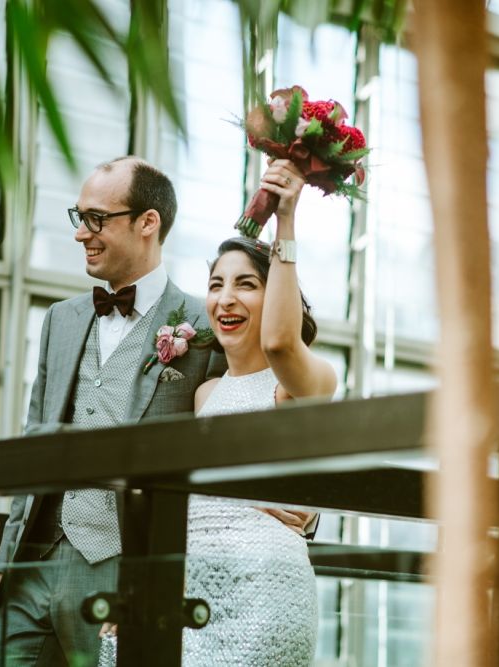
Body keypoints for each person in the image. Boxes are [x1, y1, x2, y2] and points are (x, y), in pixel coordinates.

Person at [0, 156, 224, 667]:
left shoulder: (206, 327)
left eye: (96, 219)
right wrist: (6, 564)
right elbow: (35, 443)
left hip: (122, 569)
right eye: (80, 217)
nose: (81, 234)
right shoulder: (62, 319)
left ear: (147, 223)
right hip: (33, 564)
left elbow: (233, 441)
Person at [97, 159, 336, 667]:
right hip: (186, 593)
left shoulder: (303, 382)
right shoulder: (204, 394)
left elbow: (279, 343)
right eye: (216, 284)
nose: (226, 298)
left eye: (247, 284)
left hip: (263, 589)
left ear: (278, 297)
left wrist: (286, 222)